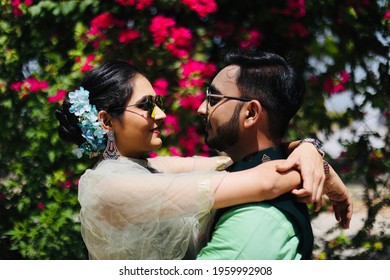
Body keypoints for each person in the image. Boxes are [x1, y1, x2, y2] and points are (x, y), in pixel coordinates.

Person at [55, 59, 350, 260]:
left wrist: (309, 148)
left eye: (158, 103)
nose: (161, 115)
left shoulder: (154, 168)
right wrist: (323, 172)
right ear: (106, 121)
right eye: (147, 106)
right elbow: (265, 179)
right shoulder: (107, 188)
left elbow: (244, 161)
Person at [196, 50, 352, 260]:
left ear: (250, 113)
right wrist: (309, 147)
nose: (201, 109)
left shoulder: (254, 220)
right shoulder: (241, 173)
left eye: (213, 99)